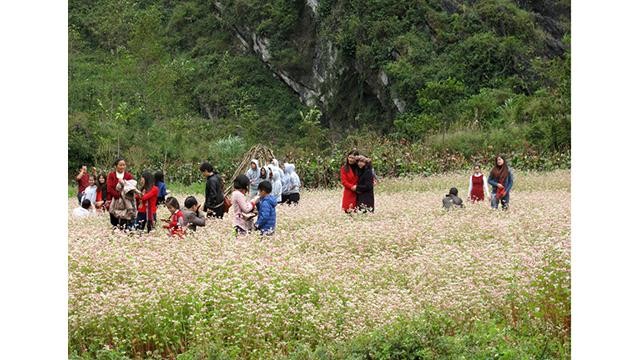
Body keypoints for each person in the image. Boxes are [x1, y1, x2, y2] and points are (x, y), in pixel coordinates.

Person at [106, 158, 134, 227]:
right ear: (116, 166)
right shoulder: (111, 175)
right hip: (114, 199)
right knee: (113, 218)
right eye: (120, 165)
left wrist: (123, 196)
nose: (122, 167)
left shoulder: (128, 176)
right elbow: (109, 188)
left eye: (124, 165)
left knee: (124, 219)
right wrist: (118, 195)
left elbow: (131, 187)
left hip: (125, 201)